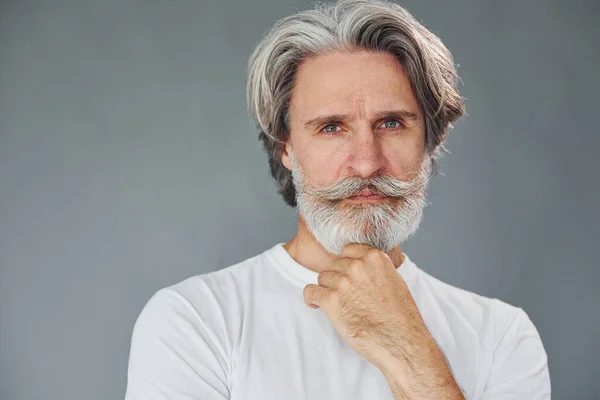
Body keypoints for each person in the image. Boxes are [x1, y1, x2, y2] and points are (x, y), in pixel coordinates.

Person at [124, 0, 551, 398]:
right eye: (331, 127)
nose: (366, 163)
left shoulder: (502, 335)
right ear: (285, 147)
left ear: (430, 141)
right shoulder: (194, 320)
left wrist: (409, 350)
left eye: (391, 123)